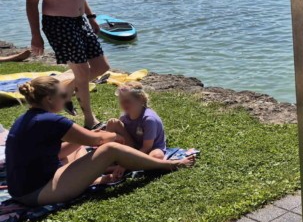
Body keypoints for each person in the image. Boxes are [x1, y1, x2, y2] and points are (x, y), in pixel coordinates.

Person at [5, 76, 195, 206]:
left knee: (78, 149)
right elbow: (96, 140)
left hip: (23, 189)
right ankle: (168, 165)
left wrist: (96, 135)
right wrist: (113, 136)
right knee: (110, 149)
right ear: (48, 99)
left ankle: (102, 176)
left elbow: (59, 152)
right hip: (38, 192)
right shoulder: (51, 120)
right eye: (63, 96)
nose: (66, 100)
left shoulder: (27, 118)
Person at [26, 0, 110, 129]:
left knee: (101, 67)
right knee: (81, 72)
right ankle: (90, 120)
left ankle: (62, 94)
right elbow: (31, 2)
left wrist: (91, 17)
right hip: (58, 24)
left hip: (79, 20)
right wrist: (36, 35)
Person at [106, 82, 167, 160]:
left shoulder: (148, 119)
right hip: (134, 146)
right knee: (113, 122)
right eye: (121, 102)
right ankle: (106, 154)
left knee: (157, 156)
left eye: (127, 101)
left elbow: (147, 147)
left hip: (150, 149)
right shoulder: (125, 117)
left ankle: (125, 164)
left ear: (141, 100)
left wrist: (127, 162)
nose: (124, 105)